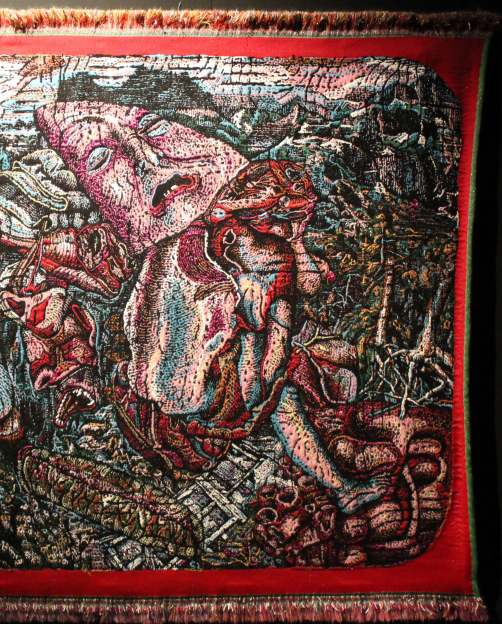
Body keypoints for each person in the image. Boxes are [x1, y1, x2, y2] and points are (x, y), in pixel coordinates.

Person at [36, 101, 389, 514]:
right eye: (99, 159)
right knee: (286, 398)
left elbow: (293, 295)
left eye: (155, 125)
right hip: (193, 400)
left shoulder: (228, 242)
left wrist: (291, 252)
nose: (146, 159)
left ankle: (341, 486)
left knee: (290, 388)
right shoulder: (209, 254)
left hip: (192, 385)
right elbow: (236, 361)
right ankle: (341, 486)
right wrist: (263, 360)